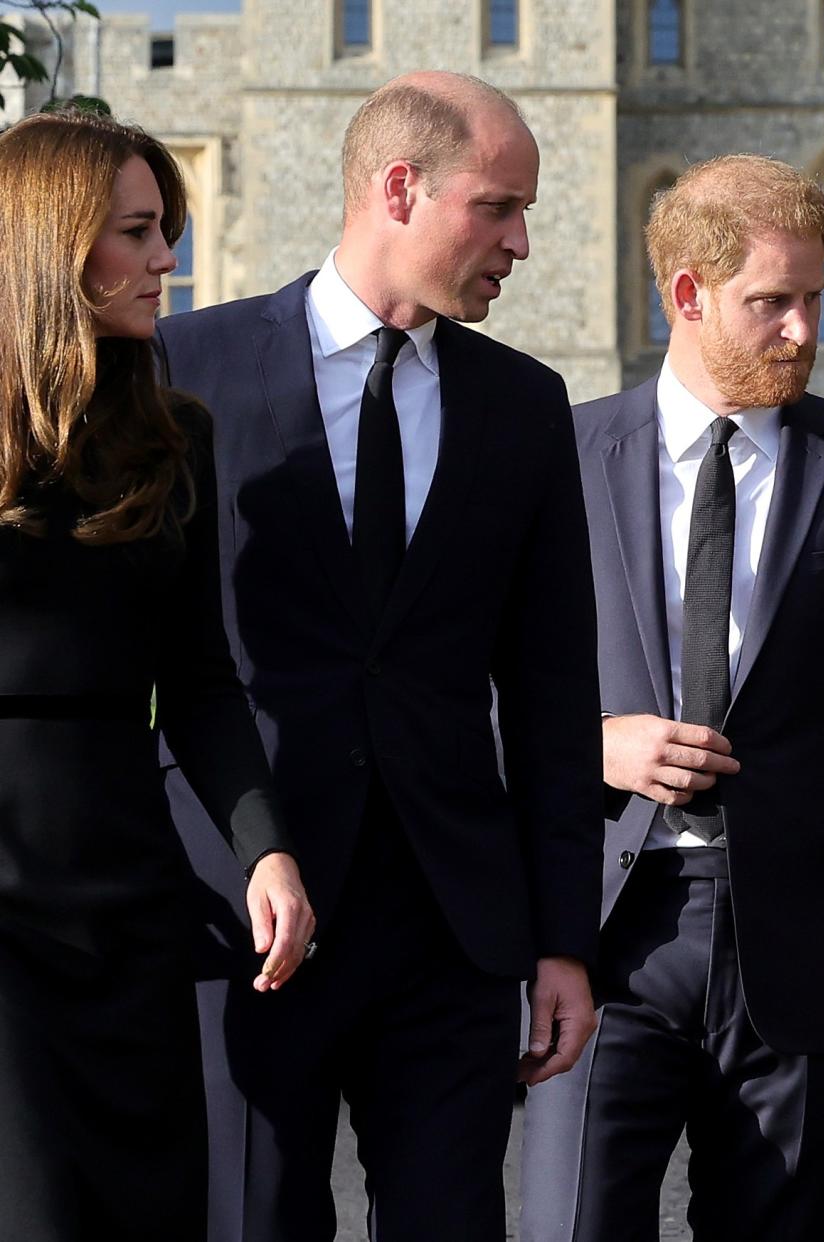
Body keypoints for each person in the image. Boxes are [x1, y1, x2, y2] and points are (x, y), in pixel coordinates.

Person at [156, 72, 602, 1241]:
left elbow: (555, 695)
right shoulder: (183, 367)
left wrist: (563, 940)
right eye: (499, 208)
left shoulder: (524, 404)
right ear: (399, 188)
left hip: (452, 929)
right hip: (249, 913)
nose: (519, 242)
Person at [519, 153, 824, 1242]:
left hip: (807, 940)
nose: (802, 330)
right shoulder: (563, 453)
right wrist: (590, 744)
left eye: (813, 298)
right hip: (605, 932)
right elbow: (467, 683)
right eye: (769, 302)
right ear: (687, 294)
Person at [0, 108, 313, 1241]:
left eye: (166, 230)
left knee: (153, 1208)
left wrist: (262, 848)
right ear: (55, 245)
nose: (167, 261)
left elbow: (200, 678)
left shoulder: (174, 433)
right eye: (137, 233)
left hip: (131, 897)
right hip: (4, 900)